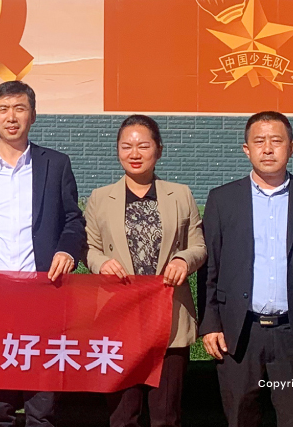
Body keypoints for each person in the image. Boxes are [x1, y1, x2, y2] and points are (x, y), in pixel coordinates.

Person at [0, 80, 86, 427]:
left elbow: (73, 219)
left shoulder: (56, 164)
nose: (11, 117)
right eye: (3, 110)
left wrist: (67, 251)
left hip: (44, 291)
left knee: (43, 401)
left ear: (33, 116)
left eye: (19, 109)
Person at [199, 111, 293, 427]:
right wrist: (210, 324)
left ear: (292, 147)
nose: (267, 149)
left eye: (276, 141)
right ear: (246, 149)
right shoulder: (222, 199)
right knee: (239, 416)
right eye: (259, 141)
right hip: (239, 331)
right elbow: (209, 268)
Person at [83, 115, 206, 427]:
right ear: (117, 150)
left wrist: (184, 260)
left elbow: (199, 246)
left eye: (143, 146)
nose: (134, 153)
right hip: (119, 317)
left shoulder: (180, 194)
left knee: (166, 416)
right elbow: (88, 248)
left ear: (159, 150)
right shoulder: (100, 198)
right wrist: (100, 263)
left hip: (168, 317)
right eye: (126, 146)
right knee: (123, 416)